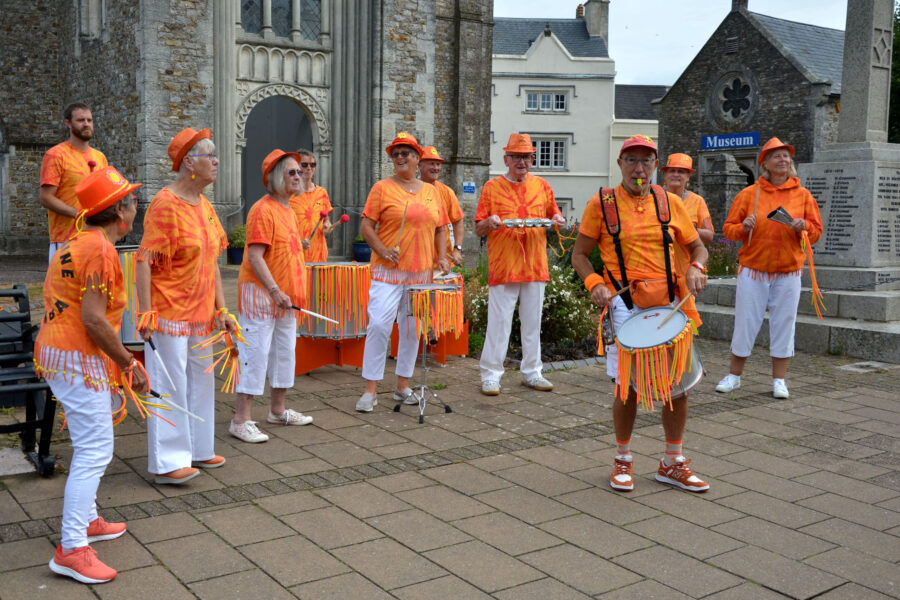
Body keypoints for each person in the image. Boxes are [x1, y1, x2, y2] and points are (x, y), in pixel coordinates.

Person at [571, 134, 709, 493]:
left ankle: (672, 462)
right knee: (626, 387)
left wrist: (696, 267)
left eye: (646, 161)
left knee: (678, 386)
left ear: (655, 165)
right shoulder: (601, 204)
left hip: (670, 305)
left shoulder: (670, 202)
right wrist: (594, 284)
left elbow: (698, 247)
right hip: (624, 305)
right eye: (631, 160)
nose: (639, 168)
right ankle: (623, 458)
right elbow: (579, 255)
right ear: (620, 164)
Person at [35, 167, 146, 584]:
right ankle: (71, 548)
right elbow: (94, 320)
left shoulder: (77, 241)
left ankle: (88, 519)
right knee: (95, 449)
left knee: (90, 444)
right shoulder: (100, 249)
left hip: (60, 351)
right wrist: (128, 363)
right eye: (132, 200)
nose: (136, 205)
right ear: (120, 211)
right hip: (75, 356)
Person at [136, 128, 236, 483]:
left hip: (200, 313)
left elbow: (212, 263)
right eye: (211, 155)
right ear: (189, 163)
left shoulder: (205, 205)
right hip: (169, 311)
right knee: (170, 381)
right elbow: (144, 260)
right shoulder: (165, 203)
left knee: (202, 379)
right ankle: (167, 462)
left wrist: (222, 309)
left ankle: (199, 448)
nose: (217, 161)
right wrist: (145, 312)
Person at [715, 137, 822, 399]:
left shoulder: (803, 195)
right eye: (776, 156)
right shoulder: (749, 194)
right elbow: (728, 229)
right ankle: (734, 376)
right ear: (765, 163)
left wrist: (804, 226)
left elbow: (817, 232)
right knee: (745, 322)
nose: (782, 160)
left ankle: (779, 381)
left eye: (786, 155)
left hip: (789, 270)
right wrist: (744, 227)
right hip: (753, 269)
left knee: (784, 323)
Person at [356, 132, 451, 412]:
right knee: (378, 325)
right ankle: (370, 390)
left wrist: (442, 257)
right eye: (395, 153)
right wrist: (383, 250)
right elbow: (366, 227)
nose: (399, 157)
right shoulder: (382, 188)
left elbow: (440, 229)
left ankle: (402, 386)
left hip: (420, 274)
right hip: (388, 271)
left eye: (405, 153)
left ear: (417, 158)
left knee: (411, 330)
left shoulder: (432, 192)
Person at [473, 133, 565, 396]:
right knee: (499, 323)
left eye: (526, 157)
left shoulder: (542, 186)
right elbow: (478, 228)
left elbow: (555, 215)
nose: (521, 162)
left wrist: (558, 220)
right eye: (516, 157)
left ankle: (532, 372)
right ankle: (491, 375)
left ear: (532, 159)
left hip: (535, 265)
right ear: (506, 159)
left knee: (533, 323)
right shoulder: (492, 187)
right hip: (504, 265)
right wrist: (489, 222)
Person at [231, 149, 313, 442]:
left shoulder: (288, 210)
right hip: (262, 294)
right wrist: (275, 289)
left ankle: (278, 410)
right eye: (292, 171)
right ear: (276, 177)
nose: (299, 175)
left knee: (285, 352)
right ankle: (241, 419)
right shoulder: (262, 209)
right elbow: (255, 256)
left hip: (286, 298)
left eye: (300, 171)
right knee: (254, 353)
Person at [40, 102, 108, 261]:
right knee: (64, 279)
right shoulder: (56, 155)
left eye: (89, 120)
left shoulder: (100, 157)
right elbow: (46, 198)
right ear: (68, 123)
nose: (86, 124)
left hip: (96, 237)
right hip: (66, 239)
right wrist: (80, 215)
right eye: (81, 120)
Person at [662, 152, 714, 326]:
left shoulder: (697, 201)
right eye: (672, 171)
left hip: (687, 273)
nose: (676, 175)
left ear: (688, 176)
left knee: (682, 323)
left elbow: (709, 236)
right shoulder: (655, 199)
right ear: (665, 174)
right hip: (659, 272)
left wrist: (688, 229)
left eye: (681, 171)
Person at [419, 146, 465, 265]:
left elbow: (458, 221)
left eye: (438, 164)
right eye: (431, 163)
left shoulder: (447, 191)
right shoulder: (411, 190)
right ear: (419, 165)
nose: (436, 168)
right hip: (418, 260)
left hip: (443, 262)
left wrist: (457, 249)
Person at [289, 148, 333, 262]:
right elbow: (284, 229)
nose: (309, 168)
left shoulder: (322, 192)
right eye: (304, 165)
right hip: (296, 257)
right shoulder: (289, 194)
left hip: (319, 256)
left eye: (313, 165)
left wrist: (327, 226)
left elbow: (326, 219)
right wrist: (298, 242)